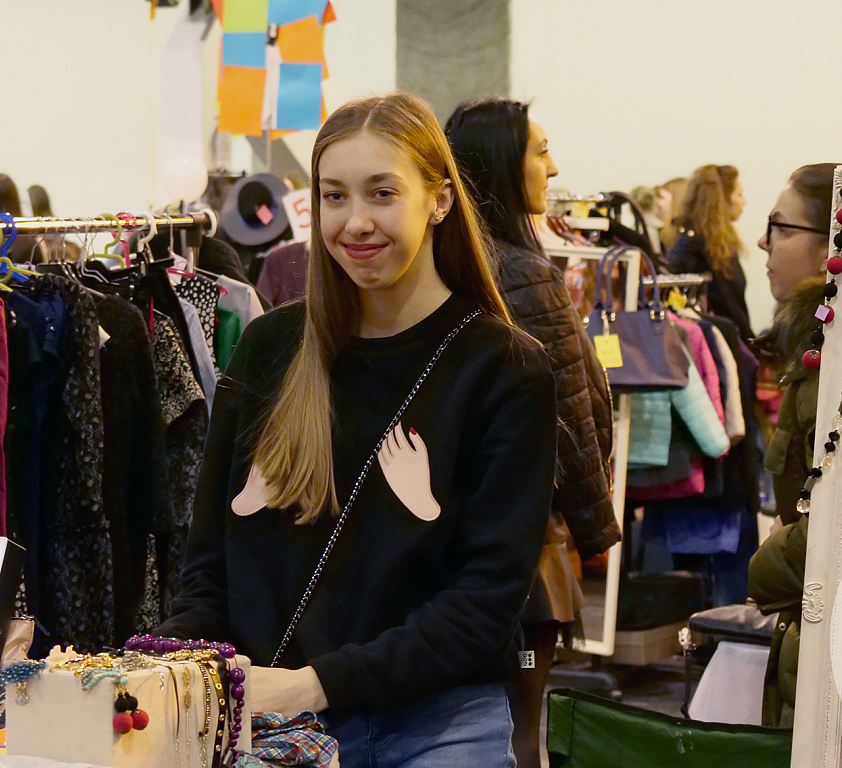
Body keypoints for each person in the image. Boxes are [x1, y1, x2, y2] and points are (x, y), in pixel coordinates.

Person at [160, 91, 557, 768]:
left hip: (436, 725)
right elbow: (209, 566)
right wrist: (167, 666)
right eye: (335, 197)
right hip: (271, 729)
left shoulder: (504, 368)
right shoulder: (270, 349)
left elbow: (485, 600)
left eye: (382, 193)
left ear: (439, 200)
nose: (356, 222)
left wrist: (315, 684)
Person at [445, 96, 619, 768]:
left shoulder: (449, 264)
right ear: (499, 163)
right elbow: (570, 412)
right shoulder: (521, 273)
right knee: (520, 732)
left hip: (452, 535)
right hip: (526, 550)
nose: (554, 166)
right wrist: (595, 524)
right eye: (540, 151)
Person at [746, 163, 835, 728]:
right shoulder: (819, 350)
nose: (763, 241)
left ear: (830, 248)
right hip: (814, 634)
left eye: (779, 227)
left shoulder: (840, 366)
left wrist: (764, 563)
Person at [666, 164, 753, 339]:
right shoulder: (700, 247)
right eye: (739, 194)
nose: (744, 201)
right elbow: (731, 309)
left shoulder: (711, 245)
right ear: (722, 200)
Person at [655, 177, 688, 255]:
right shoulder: (661, 232)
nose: (659, 204)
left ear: (677, 201)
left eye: (662, 198)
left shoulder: (684, 237)